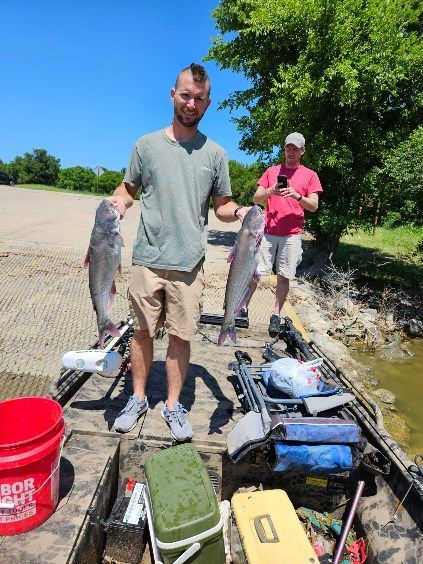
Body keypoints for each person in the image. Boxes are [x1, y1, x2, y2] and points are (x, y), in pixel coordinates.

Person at [108, 63, 249, 440]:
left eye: (198, 99)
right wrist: (118, 203)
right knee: (141, 333)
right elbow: (128, 189)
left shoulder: (215, 154)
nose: (190, 103)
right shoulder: (146, 145)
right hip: (147, 259)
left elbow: (222, 204)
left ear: (208, 104)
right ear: (173, 94)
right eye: (185, 95)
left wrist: (239, 212)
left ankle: (172, 405)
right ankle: (137, 397)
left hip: (189, 263)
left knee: (181, 336)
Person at [249, 132, 322, 337]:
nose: (291, 152)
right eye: (288, 148)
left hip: (292, 234)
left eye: (296, 149)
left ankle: (275, 314)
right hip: (269, 231)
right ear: (284, 149)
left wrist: (297, 195)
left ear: (302, 151)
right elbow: (256, 199)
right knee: (255, 272)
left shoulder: (310, 175)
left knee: (284, 276)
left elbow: (314, 206)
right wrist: (271, 190)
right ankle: (243, 309)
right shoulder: (272, 171)